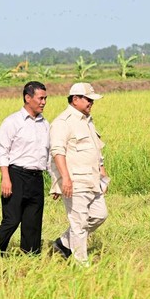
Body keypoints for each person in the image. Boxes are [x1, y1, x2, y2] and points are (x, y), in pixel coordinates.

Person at [0, 81, 49, 257]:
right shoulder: (12, 122)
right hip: (16, 175)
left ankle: (31, 256)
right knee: (12, 220)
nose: (43, 102)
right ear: (28, 98)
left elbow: (49, 155)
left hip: (37, 177)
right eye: (40, 98)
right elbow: (2, 151)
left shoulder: (45, 124)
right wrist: (5, 178)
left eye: (45, 98)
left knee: (33, 221)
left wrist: (56, 181)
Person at [49, 83, 109, 267]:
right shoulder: (62, 122)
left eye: (92, 99)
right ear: (75, 99)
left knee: (100, 215)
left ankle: (63, 243)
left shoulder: (87, 120)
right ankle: (81, 265)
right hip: (75, 181)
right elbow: (57, 152)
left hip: (93, 179)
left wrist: (103, 173)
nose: (91, 102)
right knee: (79, 224)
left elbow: (96, 150)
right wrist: (64, 179)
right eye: (88, 99)